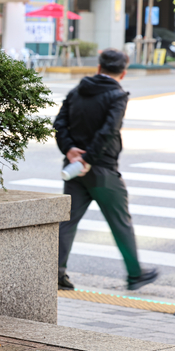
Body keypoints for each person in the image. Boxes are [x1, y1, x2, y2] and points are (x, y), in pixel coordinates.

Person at [53, 48, 158, 291]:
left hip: (74, 169)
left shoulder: (77, 91)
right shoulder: (117, 96)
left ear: (99, 67)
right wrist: (89, 158)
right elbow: (108, 131)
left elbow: (59, 123)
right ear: (124, 71)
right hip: (102, 170)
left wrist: (70, 151)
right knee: (120, 222)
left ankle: (55, 273)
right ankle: (135, 274)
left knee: (66, 222)